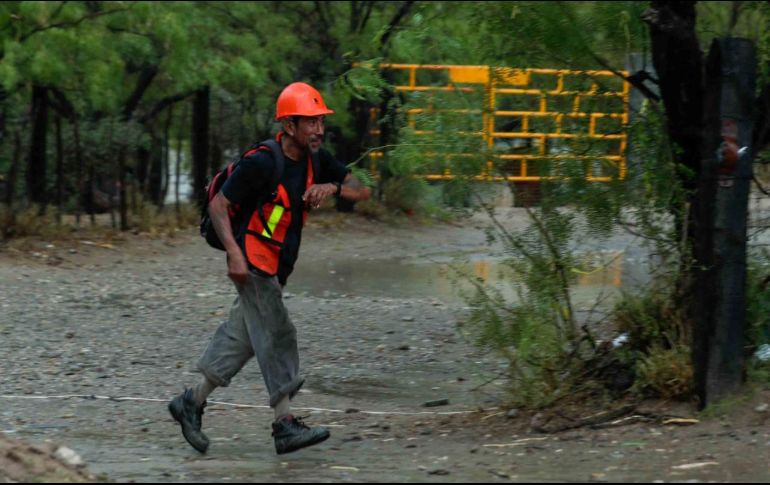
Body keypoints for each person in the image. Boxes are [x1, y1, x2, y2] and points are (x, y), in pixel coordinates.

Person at [169, 82, 371, 455]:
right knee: (278, 333)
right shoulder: (263, 160)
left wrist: (332, 187)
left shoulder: (316, 159)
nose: (319, 130)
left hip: (277, 266)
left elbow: (363, 189)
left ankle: (190, 403)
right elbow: (218, 206)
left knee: (243, 338)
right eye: (310, 122)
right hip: (253, 261)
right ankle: (284, 424)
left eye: (320, 122)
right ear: (289, 125)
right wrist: (233, 253)